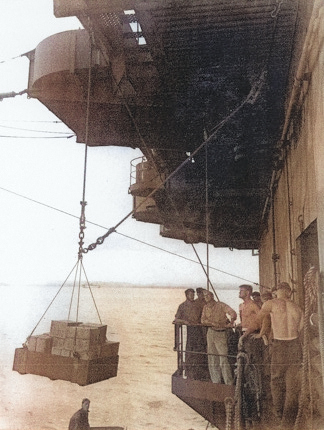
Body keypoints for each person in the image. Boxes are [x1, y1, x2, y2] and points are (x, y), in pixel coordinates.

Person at [255, 282, 303, 429]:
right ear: (289, 292)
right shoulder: (297, 308)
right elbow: (301, 328)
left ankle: (279, 415)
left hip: (280, 346)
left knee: (276, 382)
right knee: (292, 385)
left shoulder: (271, 304)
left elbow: (258, 319)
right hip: (294, 346)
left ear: (277, 291)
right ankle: (288, 421)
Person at [201, 290, 237, 385]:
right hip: (211, 333)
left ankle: (228, 383)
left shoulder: (221, 305)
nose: (206, 297)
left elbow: (232, 312)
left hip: (221, 334)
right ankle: (215, 382)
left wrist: (231, 321)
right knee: (212, 359)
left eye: (207, 295)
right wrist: (212, 323)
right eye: (204, 296)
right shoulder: (205, 307)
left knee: (223, 359)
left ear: (212, 296)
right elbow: (203, 320)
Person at [173, 288, 206, 379]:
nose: (192, 296)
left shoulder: (197, 304)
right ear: (187, 295)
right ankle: (189, 366)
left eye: (193, 294)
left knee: (200, 347)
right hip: (190, 329)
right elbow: (177, 319)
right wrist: (185, 322)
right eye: (191, 294)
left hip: (199, 328)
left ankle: (199, 365)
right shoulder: (182, 306)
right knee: (190, 347)